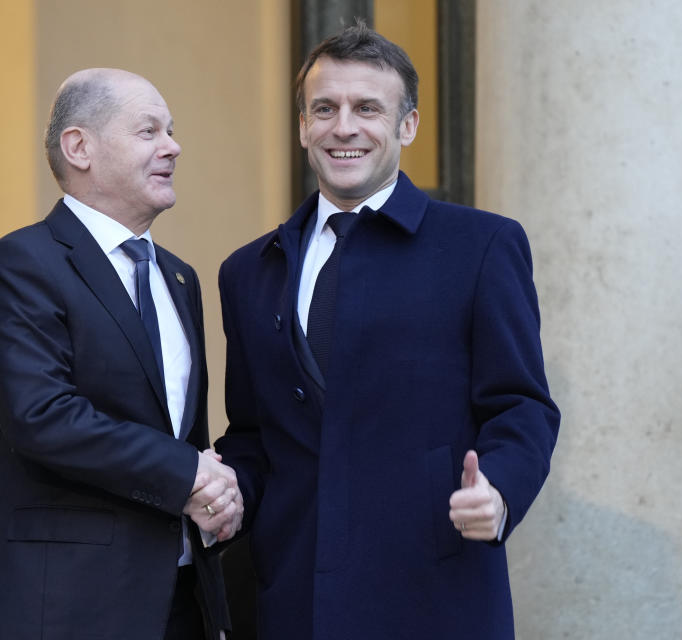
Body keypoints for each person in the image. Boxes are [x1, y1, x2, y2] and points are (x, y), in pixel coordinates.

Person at [215, 23, 561, 640]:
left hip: (433, 595)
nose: (343, 127)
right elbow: (252, 435)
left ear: (408, 126)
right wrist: (222, 488)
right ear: (303, 126)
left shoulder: (482, 246)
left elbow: (522, 406)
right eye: (325, 108)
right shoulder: (246, 271)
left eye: (367, 108)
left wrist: (500, 491)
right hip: (291, 598)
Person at [0, 68, 239, 640]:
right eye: (149, 131)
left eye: (172, 130)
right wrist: (189, 472)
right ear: (79, 147)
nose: (173, 146)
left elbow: (183, 433)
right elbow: (42, 417)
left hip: (182, 598)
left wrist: (214, 496)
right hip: (70, 603)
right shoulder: (22, 264)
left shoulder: (180, 278)